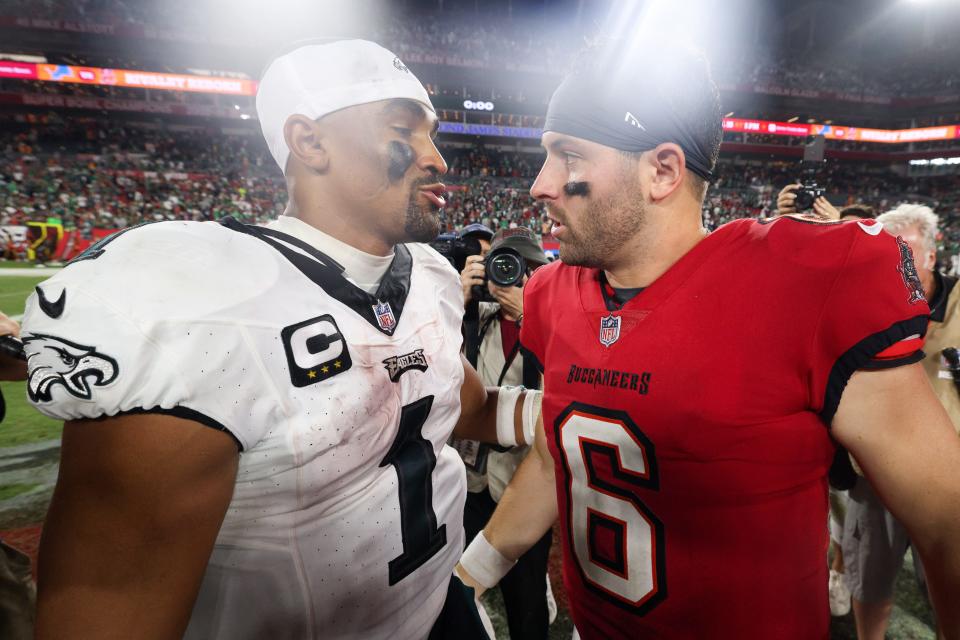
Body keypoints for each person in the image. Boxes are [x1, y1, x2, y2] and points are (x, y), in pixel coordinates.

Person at [16, 40, 540, 640]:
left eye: (434, 135)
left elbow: (463, 405)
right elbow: (106, 604)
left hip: (440, 610)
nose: (438, 159)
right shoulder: (198, 301)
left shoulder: (432, 275)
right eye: (405, 130)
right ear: (309, 142)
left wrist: (588, 414)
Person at [456, 38, 960, 639]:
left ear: (663, 170)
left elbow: (946, 522)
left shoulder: (800, 287)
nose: (540, 184)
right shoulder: (551, 293)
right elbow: (557, 451)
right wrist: (470, 576)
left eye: (568, 155)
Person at [842, 204, 960, 640]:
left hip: (950, 483)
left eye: (908, 253)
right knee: (870, 583)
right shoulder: (857, 305)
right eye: (888, 255)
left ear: (932, 255)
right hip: (876, 477)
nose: (899, 266)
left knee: (949, 588)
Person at [456, 227, 554, 639]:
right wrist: (453, 299)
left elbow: (564, 392)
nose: (510, 274)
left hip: (524, 482)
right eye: (501, 264)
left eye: (521, 267)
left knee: (525, 600)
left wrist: (532, 318)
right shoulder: (471, 317)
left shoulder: (555, 324)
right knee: (457, 588)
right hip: (469, 482)